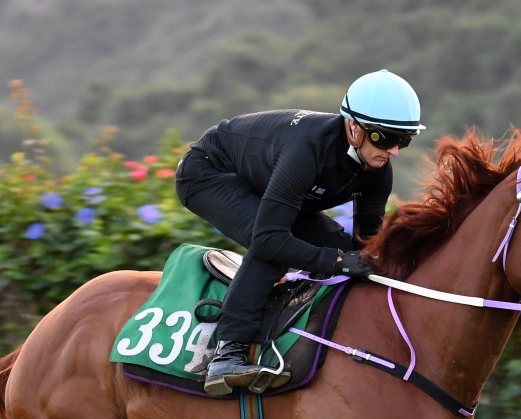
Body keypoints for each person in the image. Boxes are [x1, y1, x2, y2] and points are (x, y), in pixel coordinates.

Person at [174, 69, 426, 395]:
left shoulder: (379, 171)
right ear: (353, 127)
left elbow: (366, 245)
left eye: (403, 140)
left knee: (343, 248)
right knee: (276, 248)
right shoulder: (308, 150)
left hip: (265, 180)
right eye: (385, 138)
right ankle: (227, 353)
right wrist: (338, 261)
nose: (394, 151)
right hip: (209, 173)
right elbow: (269, 239)